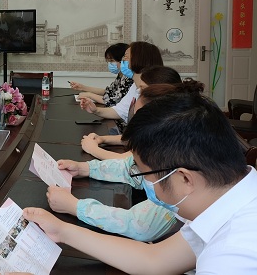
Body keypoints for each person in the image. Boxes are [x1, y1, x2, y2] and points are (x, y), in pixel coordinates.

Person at [17, 90, 257, 274]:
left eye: (144, 175)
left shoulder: (234, 256)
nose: (144, 182)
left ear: (185, 178)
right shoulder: (227, 201)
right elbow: (155, 260)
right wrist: (61, 230)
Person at [47, 80, 204, 242]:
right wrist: (84, 168)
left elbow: (139, 225)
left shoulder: (178, 188)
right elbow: (129, 168)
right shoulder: (172, 158)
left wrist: (75, 207)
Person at [80, 65, 183, 160]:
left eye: (142, 88)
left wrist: (92, 148)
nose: (138, 92)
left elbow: (127, 161)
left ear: (157, 91)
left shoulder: (167, 123)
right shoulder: (165, 114)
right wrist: (102, 139)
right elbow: (136, 140)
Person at [78, 41, 163, 125]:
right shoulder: (134, 86)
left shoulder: (154, 93)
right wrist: (95, 110)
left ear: (139, 60)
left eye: (125, 57)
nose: (122, 61)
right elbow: (119, 111)